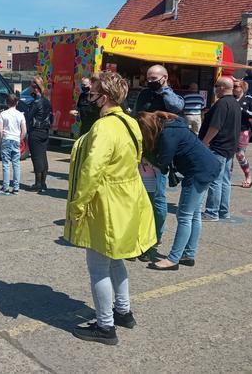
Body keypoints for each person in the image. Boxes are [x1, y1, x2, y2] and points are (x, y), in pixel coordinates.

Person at [65, 72, 156, 345]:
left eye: (91, 95)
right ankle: (123, 311)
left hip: (106, 203)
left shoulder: (103, 128)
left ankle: (105, 327)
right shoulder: (129, 122)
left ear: (103, 98)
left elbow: (92, 171)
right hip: (127, 199)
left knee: (98, 267)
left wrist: (77, 205)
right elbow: (136, 157)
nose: (88, 99)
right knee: (116, 259)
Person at [138, 111, 222, 270]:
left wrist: (146, 156)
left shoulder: (168, 134)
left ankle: (173, 259)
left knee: (184, 216)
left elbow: (163, 162)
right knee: (195, 214)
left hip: (198, 172)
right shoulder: (173, 126)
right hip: (208, 167)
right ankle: (188, 254)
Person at [132, 64, 184, 256]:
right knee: (144, 196)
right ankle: (142, 233)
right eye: (149, 78)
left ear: (164, 78)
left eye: (154, 78)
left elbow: (178, 107)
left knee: (159, 199)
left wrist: (164, 90)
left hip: (162, 156)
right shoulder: (144, 95)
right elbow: (136, 116)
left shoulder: (170, 96)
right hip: (144, 153)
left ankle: (156, 236)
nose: (151, 81)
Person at [200, 76, 242, 221]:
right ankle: (223, 211)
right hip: (230, 146)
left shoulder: (222, 104)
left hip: (218, 146)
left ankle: (212, 212)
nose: (215, 88)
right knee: (225, 180)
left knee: (215, 180)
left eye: (217, 85)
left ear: (223, 87)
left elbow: (215, 126)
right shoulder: (235, 103)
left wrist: (205, 141)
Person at [0, 93, 26, 195]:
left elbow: (0, 130)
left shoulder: (3, 114)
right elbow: (24, 131)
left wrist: (1, 140)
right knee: (16, 164)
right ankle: (16, 188)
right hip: (16, 140)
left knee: (6, 164)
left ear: (7, 103)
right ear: (17, 102)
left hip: (6, 139)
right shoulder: (20, 114)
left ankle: (6, 187)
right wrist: (20, 139)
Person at [25, 76, 52, 193]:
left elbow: (29, 117)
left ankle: (38, 183)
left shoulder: (36, 102)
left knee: (36, 158)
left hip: (35, 132)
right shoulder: (47, 101)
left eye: (31, 86)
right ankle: (43, 183)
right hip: (45, 132)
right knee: (43, 156)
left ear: (35, 88)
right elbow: (52, 116)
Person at [233, 79, 252, 188]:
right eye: (233, 86)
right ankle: (225, 177)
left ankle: (248, 176)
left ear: (242, 88)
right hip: (230, 131)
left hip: (243, 131)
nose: (234, 88)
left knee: (240, 155)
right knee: (228, 156)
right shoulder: (230, 99)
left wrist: (243, 110)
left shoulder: (248, 99)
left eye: (236, 86)